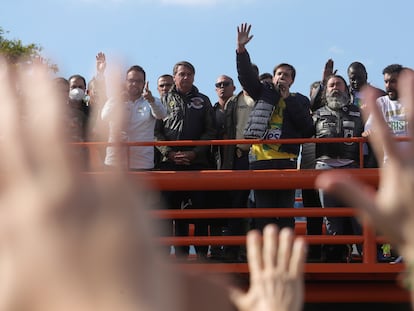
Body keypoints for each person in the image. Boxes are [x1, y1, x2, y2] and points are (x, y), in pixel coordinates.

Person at [316, 68, 414, 308]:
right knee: (380, 218)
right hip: (386, 168)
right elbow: (368, 127)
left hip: (408, 168)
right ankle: (381, 253)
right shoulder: (379, 102)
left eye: (393, 81)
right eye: (387, 81)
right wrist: (369, 131)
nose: (389, 85)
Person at [237, 23, 314, 231]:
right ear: (273, 77)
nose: (282, 77)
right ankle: (267, 256)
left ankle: (286, 256)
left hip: (287, 161)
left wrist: (288, 100)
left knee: (286, 215)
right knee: (264, 215)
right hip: (260, 161)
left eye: (287, 75)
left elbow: (307, 130)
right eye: (279, 74)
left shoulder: (299, 100)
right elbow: (245, 76)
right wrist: (241, 51)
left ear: (292, 81)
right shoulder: (262, 93)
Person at [154, 61, 217, 259]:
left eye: (189, 74)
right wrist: (169, 153)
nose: (186, 77)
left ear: (194, 77)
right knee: (169, 213)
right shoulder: (162, 101)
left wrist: (194, 153)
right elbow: (156, 133)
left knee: (199, 212)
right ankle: (170, 257)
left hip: (197, 164)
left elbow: (210, 131)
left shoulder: (203, 100)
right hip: (169, 165)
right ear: (174, 77)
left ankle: (201, 255)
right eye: (182, 74)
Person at [313, 74, 365, 262]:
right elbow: (302, 129)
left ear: (346, 89)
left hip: (352, 166)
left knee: (358, 214)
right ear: (325, 90)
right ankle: (336, 255)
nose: (335, 88)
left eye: (339, 85)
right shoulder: (316, 113)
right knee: (331, 216)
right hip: (325, 167)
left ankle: (365, 252)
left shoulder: (359, 112)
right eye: (331, 85)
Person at [101, 65, 167, 170]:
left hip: (143, 164)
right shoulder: (114, 100)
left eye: (139, 81)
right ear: (125, 82)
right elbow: (104, 117)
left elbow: (162, 114)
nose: (134, 84)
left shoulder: (151, 101)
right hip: (114, 163)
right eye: (131, 80)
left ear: (144, 83)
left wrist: (151, 101)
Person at [300, 81, 323, 261]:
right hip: (308, 170)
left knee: (333, 216)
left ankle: (335, 252)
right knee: (312, 216)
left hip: (329, 171)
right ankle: (314, 253)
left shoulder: (335, 114)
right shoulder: (306, 116)